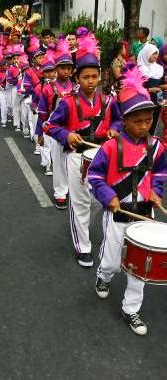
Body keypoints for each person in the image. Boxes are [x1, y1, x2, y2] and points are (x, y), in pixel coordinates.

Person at [88, 65, 167, 335]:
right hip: (118, 213)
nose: (144, 125)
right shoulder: (111, 147)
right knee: (111, 260)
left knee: (138, 268)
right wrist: (108, 196)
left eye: (148, 120)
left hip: (145, 213)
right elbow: (94, 176)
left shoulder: (156, 146)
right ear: (125, 120)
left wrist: (156, 190)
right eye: (138, 121)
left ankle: (131, 309)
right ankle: (103, 276)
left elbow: (160, 171)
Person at [45, 34, 122, 268]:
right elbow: (49, 125)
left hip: (103, 157)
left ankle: (86, 228)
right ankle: (83, 246)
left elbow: (119, 122)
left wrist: (115, 130)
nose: (91, 81)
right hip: (77, 157)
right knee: (79, 204)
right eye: (86, 76)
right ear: (77, 78)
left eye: (94, 76)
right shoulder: (68, 103)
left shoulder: (108, 101)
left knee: (99, 201)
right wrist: (66, 135)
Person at [137, 43, 164, 134]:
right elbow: (136, 88)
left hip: (156, 101)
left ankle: (150, 144)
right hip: (143, 100)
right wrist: (149, 90)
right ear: (147, 54)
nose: (156, 56)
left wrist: (162, 87)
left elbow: (161, 83)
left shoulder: (159, 69)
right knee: (142, 123)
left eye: (157, 53)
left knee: (153, 122)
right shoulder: (140, 69)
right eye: (153, 53)